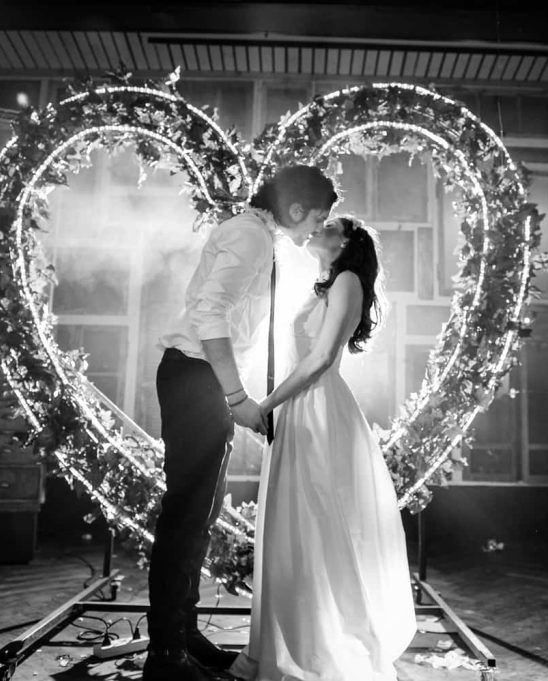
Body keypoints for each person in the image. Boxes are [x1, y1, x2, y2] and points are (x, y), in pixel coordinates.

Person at [146, 166, 338, 681]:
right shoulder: (250, 236)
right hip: (196, 379)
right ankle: (165, 656)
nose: (316, 229)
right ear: (296, 209)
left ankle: (183, 636)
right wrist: (236, 398)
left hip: (203, 380)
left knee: (202, 515)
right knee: (186, 516)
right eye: (316, 218)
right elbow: (210, 314)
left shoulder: (256, 236)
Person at [229, 216, 416, 681]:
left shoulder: (348, 280)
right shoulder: (326, 284)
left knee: (316, 520)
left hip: (318, 411)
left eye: (328, 225)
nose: (316, 228)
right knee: (297, 523)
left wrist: (265, 405)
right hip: (300, 408)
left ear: (346, 241)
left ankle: (328, 648)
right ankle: (294, 642)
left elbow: (321, 358)